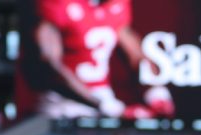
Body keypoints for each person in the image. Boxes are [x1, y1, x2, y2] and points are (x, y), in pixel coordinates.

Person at [26, 0, 173, 118]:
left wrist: (156, 92)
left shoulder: (114, 5)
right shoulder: (59, 4)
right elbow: (49, 65)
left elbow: (134, 54)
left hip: (102, 99)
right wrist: (101, 104)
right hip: (65, 103)